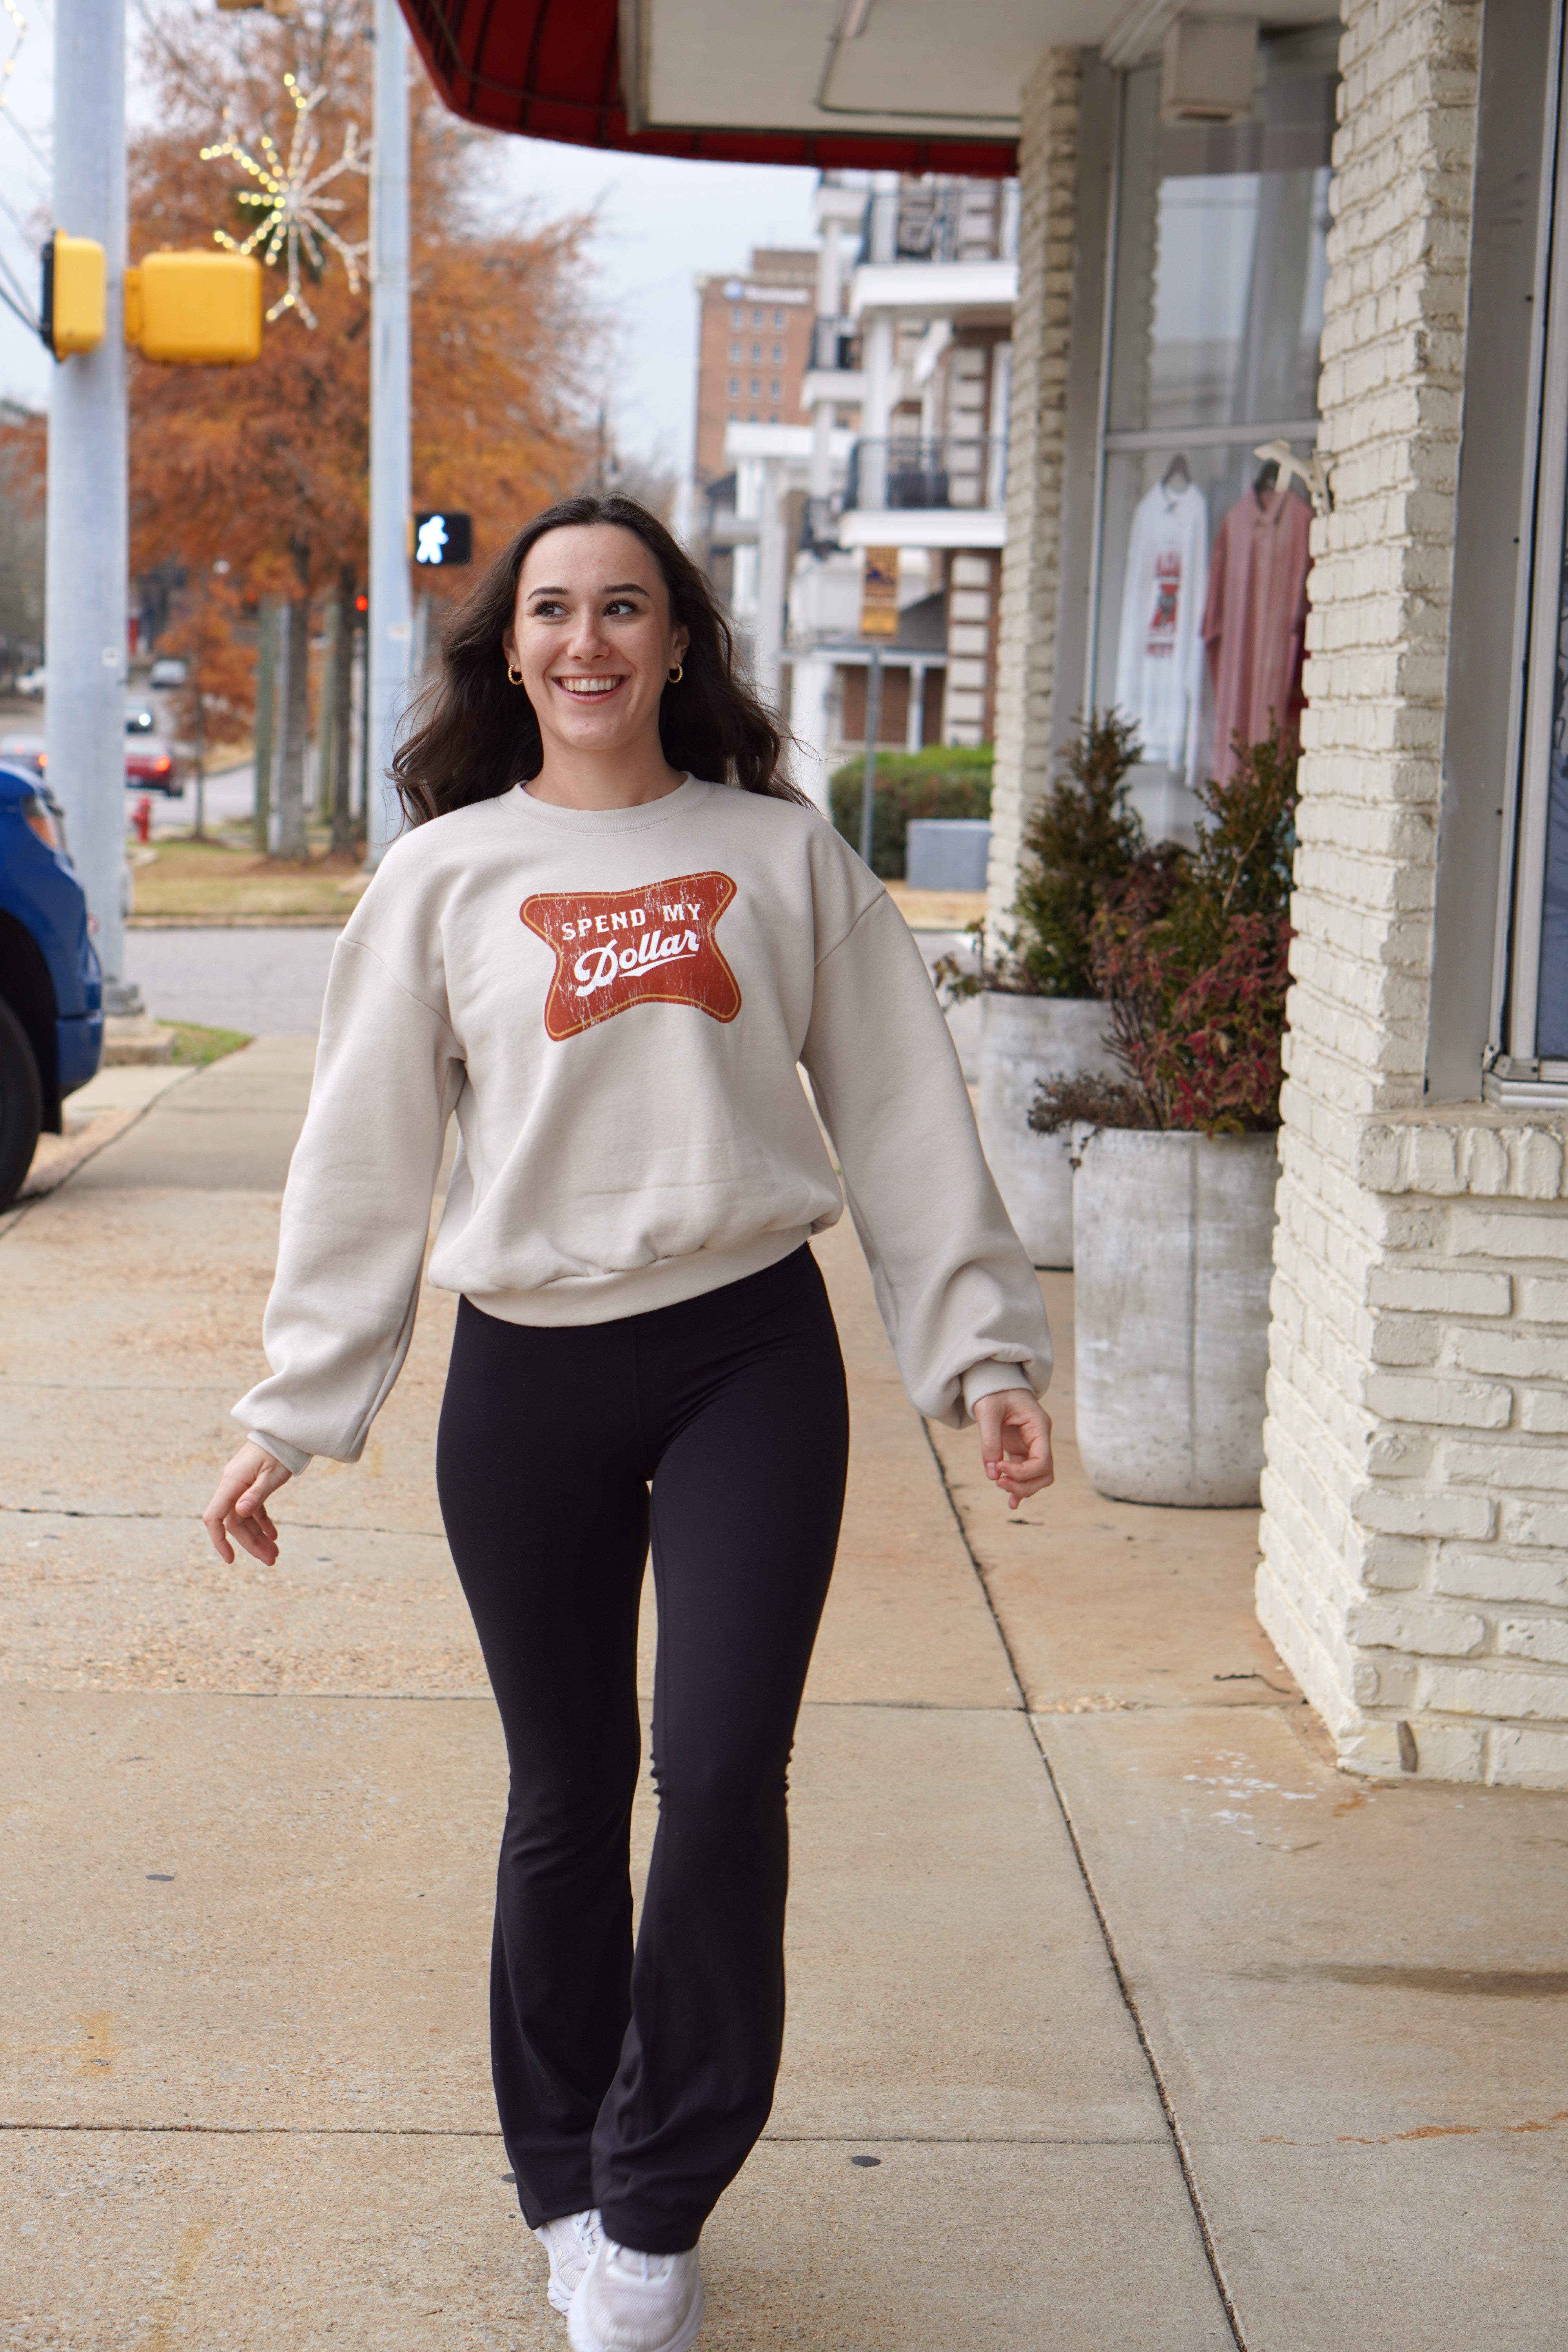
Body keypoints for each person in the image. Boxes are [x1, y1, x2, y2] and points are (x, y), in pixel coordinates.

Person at [201, 495, 1054, 2352]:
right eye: (552, 611)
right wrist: (299, 1406)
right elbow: (363, 1156)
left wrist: (981, 1353)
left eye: (624, 609)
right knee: (566, 1794)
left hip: (749, 1355)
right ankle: (566, 2183)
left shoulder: (778, 852)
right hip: (529, 1375)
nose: (585, 641)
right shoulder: (445, 876)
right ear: (508, 652)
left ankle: (657, 2203)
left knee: (723, 1773)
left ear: (679, 645)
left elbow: (905, 1113)